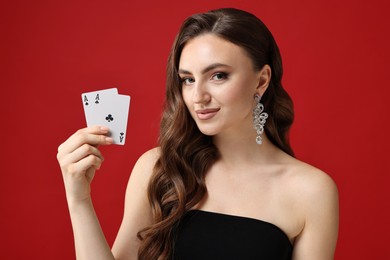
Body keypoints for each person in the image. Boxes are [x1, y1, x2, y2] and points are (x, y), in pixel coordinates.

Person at [57, 8, 339, 260]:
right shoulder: (158, 168)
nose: (198, 96)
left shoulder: (311, 191)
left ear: (261, 80)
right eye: (188, 79)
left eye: (218, 75)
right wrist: (79, 201)